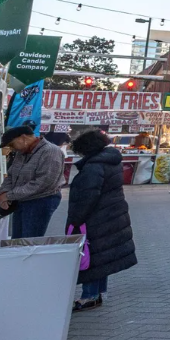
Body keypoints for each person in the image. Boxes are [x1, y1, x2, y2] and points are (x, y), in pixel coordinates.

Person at [66, 130, 137, 311]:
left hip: (97, 218)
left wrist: (75, 221)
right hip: (110, 214)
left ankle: (89, 296)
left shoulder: (93, 166)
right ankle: (96, 293)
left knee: (92, 257)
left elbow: (88, 196)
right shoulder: (109, 161)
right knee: (100, 257)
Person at [0, 126, 65, 239]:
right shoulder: (22, 152)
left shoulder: (50, 151)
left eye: (12, 144)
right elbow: (12, 175)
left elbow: (42, 183)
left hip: (40, 200)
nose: (12, 149)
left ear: (23, 138)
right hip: (22, 199)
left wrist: (9, 195)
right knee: (18, 239)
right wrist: (4, 192)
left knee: (29, 240)